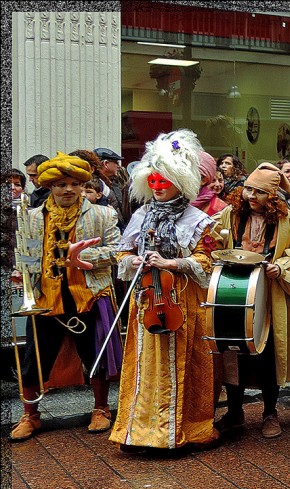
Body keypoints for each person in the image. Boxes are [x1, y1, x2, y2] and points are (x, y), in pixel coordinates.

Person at [110, 130, 219, 451]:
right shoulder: (141, 215)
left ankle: (182, 430)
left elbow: (207, 261)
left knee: (184, 363)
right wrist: (133, 260)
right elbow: (122, 252)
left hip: (182, 300)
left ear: (180, 183)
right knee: (144, 365)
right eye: (153, 181)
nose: (157, 187)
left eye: (164, 182)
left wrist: (173, 263)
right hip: (146, 299)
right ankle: (140, 432)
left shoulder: (198, 220)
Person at [8, 152, 122, 441]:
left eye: (74, 183)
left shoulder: (103, 214)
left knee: (95, 356)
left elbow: (118, 252)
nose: (68, 189)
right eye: (61, 184)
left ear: (83, 185)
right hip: (45, 299)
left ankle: (101, 409)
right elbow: (27, 253)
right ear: (50, 187)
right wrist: (22, 273)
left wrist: (83, 258)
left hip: (89, 295)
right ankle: (30, 415)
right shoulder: (33, 217)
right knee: (33, 359)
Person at [212, 162, 290, 438]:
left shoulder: (287, 220)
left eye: (259, 192)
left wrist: (280, 267)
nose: (251, 196)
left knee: (268, 353)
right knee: (232, 352)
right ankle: (235, 413)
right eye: (248, 190)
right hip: (233, 290)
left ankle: (270, 413)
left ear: (272, 196)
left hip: (269, 294)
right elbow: (214, 241)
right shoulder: (230, 214)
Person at [192, 151, 229, 217]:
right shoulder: (183, 200)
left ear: (204, 181)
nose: (217, 184)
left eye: (220, 180)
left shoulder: (220, 207)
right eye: (213, 181)